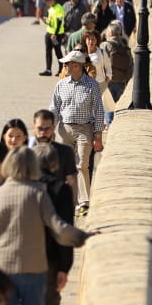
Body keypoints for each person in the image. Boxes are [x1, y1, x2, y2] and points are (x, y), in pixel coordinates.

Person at [0, 146, 92, 305]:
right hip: (33, 268)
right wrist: (83, 237)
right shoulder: (38, 193)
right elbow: (59, 229)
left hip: (3, 269)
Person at [34, 143, 76, 305]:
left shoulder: (18, 186)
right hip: (48, 262)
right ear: (55, 165)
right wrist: (65, 266)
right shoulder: (60, 189)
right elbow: (64, 230)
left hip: (19, 261)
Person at [51, 51, 104, 214]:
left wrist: (98, 136)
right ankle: (67, 199)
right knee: (64, 166)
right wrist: (49, 128)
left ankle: (84, 201)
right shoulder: (61, 84)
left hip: (84, 130)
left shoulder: (92, 85)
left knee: (81, 165)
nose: (64, 66)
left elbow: (99, 111)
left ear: (76, 65)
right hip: (64, 129)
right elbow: (54, 108)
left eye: (67, 64)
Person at [29, 110, 76, 193]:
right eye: (40, 128)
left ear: (53, 128)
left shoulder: (65, 151)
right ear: (33, 128)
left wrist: (71, 203)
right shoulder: (25, 151)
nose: (43, 133)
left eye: (47, 129)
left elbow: (71, 181)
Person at [100, 22, 133, 116]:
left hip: (108, 81)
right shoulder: (125, 47)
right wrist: (126, 80)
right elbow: (130, 66)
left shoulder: (105, 45)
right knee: (118, 107)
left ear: (110, 32)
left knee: (108, 106)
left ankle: (110, 125)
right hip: (121, 81)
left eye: (107, 31)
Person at [39, 0, 65, 76]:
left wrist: (55, 34)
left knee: (58, 52)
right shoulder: (50, 8)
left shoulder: (59, 8)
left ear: (52, 0)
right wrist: (45, 21)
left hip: (56, 34)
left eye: (48, 2)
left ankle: (61, 69)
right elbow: (50, 22)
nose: (47, 4)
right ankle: (48, 70)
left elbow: (59, 22)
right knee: (48, 51)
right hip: (49, 32)